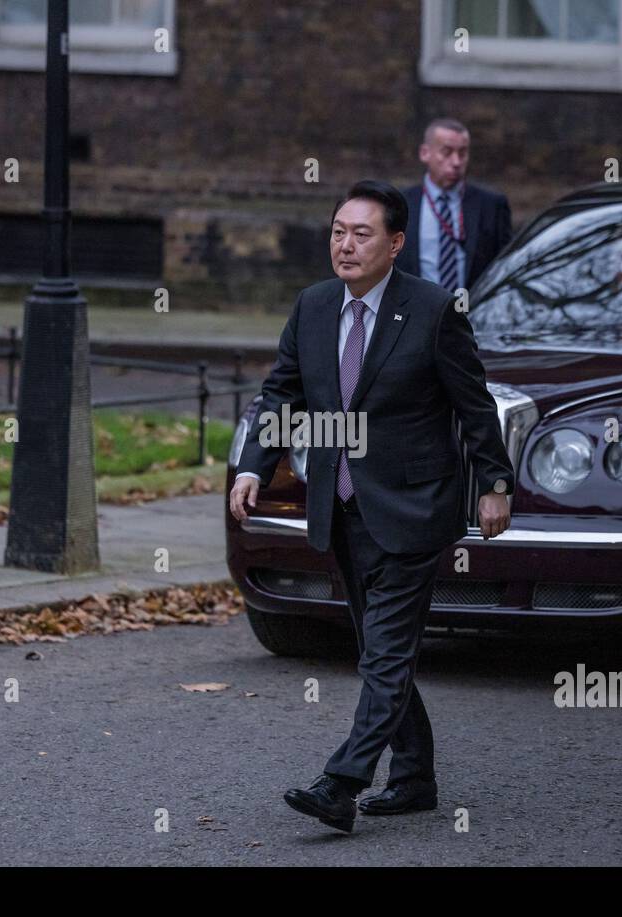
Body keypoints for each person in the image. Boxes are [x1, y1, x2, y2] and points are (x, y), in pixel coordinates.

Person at [229, 179, 514, 833]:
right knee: (381, 652)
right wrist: (253, 465)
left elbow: (475, 406)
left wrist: (494, 485)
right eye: (337, 231)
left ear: (395, 243)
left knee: (385, 653)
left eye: (361, 233)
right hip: (341, 508)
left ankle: (342, 781)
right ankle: (413, 778)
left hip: (413, 507)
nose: (346, 244)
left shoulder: (434, 309)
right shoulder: (314, 306)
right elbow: (281, 393)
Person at [395, 117, 513, 294]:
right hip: (415, 309)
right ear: (425, 153)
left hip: (471, 310)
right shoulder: (401, 203)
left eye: (463, 153)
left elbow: (504, 265)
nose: (456, 162)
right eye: (447, 152)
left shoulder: (491, 205)